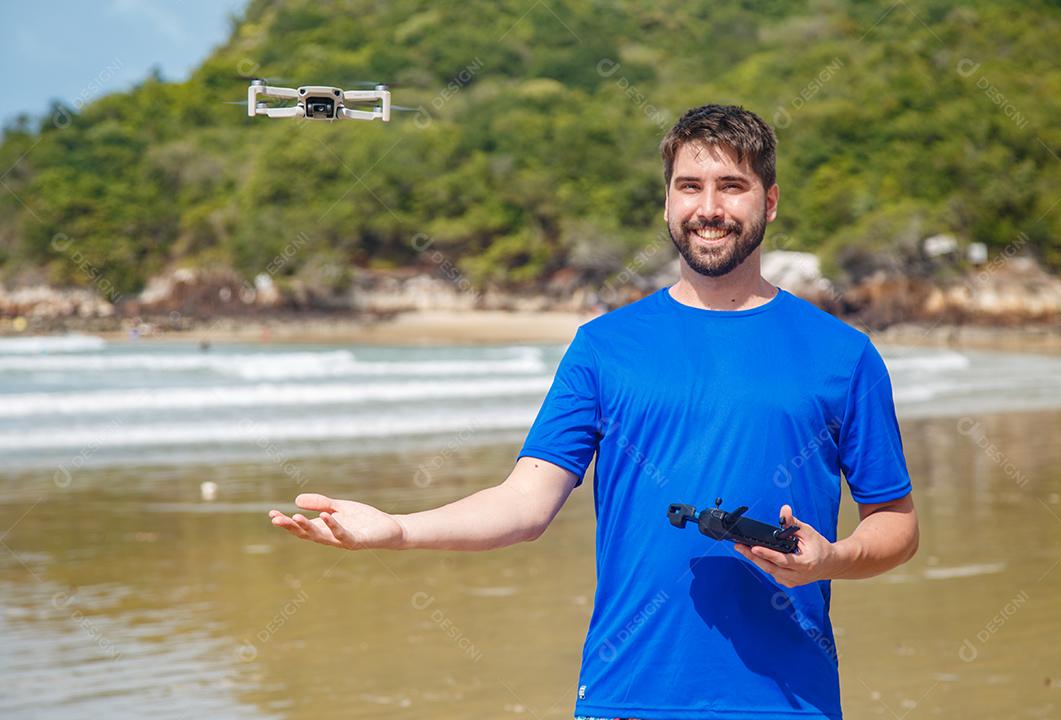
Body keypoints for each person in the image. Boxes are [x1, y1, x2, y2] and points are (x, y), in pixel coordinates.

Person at [268, 104, 919, 720]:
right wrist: (399, 530)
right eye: (689, 187)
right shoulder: (604, 347)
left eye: (732, 186)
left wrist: (830, 559)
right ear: (667, 201)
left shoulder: (842, 355)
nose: (709, 208)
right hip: (626, 694)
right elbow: (524, 504)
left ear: (770, 201)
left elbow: (896, 523)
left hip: (786, 700)